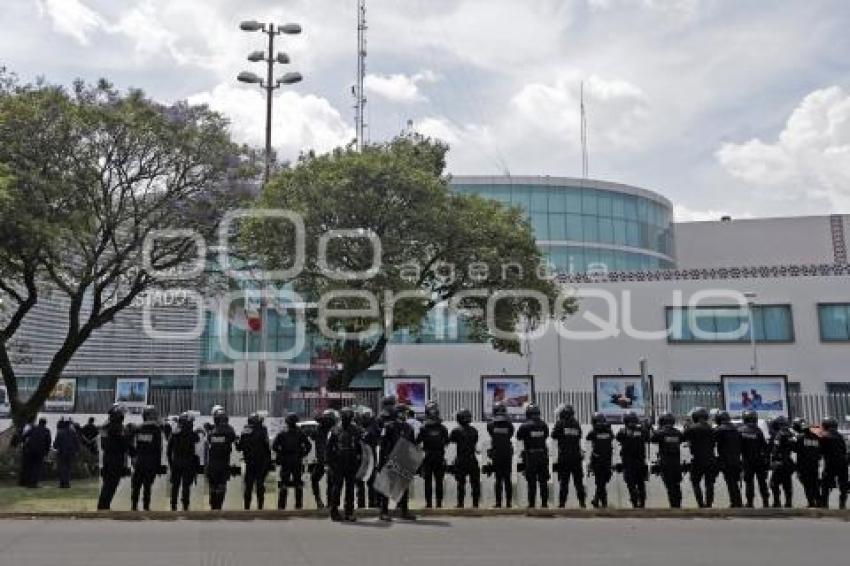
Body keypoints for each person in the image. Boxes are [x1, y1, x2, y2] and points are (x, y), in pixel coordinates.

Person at [377, 399, 417, 521]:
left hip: (403, 459)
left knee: (403, 487)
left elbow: (411, 445)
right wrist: (381, 462)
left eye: (405, 412)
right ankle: (384, 512)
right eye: (402, 412)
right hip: (390, 459)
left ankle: (404, 511)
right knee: (386, 488)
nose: (404, 414)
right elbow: (383, 445)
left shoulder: (409, 428)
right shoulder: (388, 427)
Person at [326, 406, 364, 521]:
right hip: (338, 463)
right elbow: (328, 448)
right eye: (345, 417)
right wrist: (330, 463)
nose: (346, 419)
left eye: (349, 417)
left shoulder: (356, 430)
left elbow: (360, 448)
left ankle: (349, 512)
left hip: (351, 462)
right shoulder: (335, 430)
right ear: (341, 417)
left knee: (350, 488)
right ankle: (334, 511)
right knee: (337, 488)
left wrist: (359, 462)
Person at [272, 412, 312, 510]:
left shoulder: (282, 433)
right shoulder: (300, 433)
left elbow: (274, 446)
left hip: (286, 460)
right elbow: (309, 446)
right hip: (297, 459)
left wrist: (281, 453)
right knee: (298, 483)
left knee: (284, 483)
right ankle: (298, 506)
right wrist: (303, 454)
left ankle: (281, 506)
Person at [129, 406, 163, 511]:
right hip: (151, 461)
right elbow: (158, 449)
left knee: (136, 486)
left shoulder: (138, 428)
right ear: (148, 416)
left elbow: (129, 443)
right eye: (154, 414)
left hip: (139, 461)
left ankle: (134, 507)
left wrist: (133, 456)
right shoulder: (156, 430)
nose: (156, 416)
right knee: (147, 486)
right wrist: (159, 466)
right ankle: (146, 507)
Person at [551, 404, 586, 508]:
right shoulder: (576, 424)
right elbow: (579, 435)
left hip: (564, 457)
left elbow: (553, 435)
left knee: (564, 482)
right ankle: (582, 503)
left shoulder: (560, 423)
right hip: (576, 457)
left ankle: (562, 504)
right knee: (579, 483)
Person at [416, 401, 449, 509]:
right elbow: (447, 442)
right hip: (437, 456)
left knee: (430, 481)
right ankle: (437, 504)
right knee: (437, 481)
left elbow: (417, 441)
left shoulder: (424, 428)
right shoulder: (442, 428)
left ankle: (430, 504)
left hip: (429, 456)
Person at [516, 403, 550, 509]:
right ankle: (544, 504)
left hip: (530, 456)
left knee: (531, 482)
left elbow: (518, 437)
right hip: (543, 456)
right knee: (543, 481)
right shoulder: (544, 425)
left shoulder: (525, 425)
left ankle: (531, 505)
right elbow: (546, 436)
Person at [98, 404, 131, 510]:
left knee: (107, 483)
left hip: (107, 457)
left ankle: (103, 505)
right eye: (122, 414)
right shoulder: (117, 427)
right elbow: (124, 443)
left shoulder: (105, 426)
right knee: (111, 483)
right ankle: (104, 506)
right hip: (115, 458)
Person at [237, 412, 272, 510]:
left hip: (249, 462)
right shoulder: (263, 430)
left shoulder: (245, 430)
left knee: (248, 486)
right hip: (261, 462)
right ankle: (260, 507)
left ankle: (247, 508)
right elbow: (267, 446)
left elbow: (239, 447)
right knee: (260, 485)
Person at [683, 407, 717, 508]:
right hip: (710, 458)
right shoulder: (712, 429)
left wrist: (687, 427)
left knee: (695, 482)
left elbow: (682, 437)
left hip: (697, 459)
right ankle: (709, 504)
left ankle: (700, 504)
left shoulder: (692, 429)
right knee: (709, 483)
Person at [206, 406, 237, 510]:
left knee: (213, 486)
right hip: (224, 462)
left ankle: (213, 506)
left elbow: (210, 439)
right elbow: (232, 438)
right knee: (221, 486)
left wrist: (209, 429)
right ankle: (219, 507)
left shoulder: (212, 432)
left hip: (213, 463)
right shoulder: (229, 430)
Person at [167, 412, 199, 511]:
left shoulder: (174, 433)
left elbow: (168, 451)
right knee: (186, 486)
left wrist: (171, 464)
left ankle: (173, 505)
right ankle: (185, 505)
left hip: (176, 462)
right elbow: (197, 439)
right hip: (188, 463)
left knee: (175, 486)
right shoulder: (191, 434)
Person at [616, 411, 649, 508]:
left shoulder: (623, 431)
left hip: (628, 462)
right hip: (640, 461)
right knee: (641, 483)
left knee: (631, 484)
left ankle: (635, 503)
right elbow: (647, 437)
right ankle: (642, 503)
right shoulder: (642, 430)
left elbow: (618, 438)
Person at [651, 412, 683, 508]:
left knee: (670, 486)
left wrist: (655, 429)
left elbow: (652, 439)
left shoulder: (660, 433)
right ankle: (678, 505)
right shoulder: (678, 433)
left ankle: (673, 506)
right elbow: (682, 439)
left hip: (666, 463)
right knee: (677, 485)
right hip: (677, 463)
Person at [449, 408, 481, 509]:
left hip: (461, 459)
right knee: (475, 483)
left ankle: (460, 504)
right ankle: (475, 504)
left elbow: (452, 440)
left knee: (461, 483)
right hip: (472, 459)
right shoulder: (474, 431)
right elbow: (475, 441)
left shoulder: (456, 431)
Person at [739, 409, 771, 508]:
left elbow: (738, 448)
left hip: (747, 461)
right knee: (762, 482)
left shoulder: (740, 431)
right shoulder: (758, 431)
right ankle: (766, 502)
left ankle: (750, 503)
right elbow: (765, 448)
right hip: (759, 461)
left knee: (749, 483)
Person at [486, 402, 515, 508]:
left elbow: (491, 433)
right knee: (508, 479)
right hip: (507, 453)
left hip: (496, 453)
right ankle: (509, 503)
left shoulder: (490, 424)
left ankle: (498, 503)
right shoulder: (509, 424)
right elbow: (511, 434)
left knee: (498, 479)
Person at [713, 410, 743, 508]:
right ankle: (738, 502)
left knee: (730, 482)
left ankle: (735, 503)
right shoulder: (736, 429)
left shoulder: (719, 430)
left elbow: (712, 443)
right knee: (734, 482)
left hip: (725, 460)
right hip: (737, 459)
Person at [818, 417, 848, 509]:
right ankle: (842, 504)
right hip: (843, 463)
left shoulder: (824, 436)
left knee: (825, 485)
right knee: (843, 485)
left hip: (830, 464)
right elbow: (845, 450)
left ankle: (824, 504)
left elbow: (820, 451)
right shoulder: (841, 436)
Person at [310, 409, 336, 509]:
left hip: (324, 459)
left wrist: (318, 416)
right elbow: (313, 436)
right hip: (329, 459)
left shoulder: (324, 426)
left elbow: (318, 419)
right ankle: (327, 503)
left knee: (318, 480)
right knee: (330, 482)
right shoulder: (332, 427)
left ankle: (321, 501)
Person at [586, 412, 613, 508]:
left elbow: (588, 437)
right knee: (602, 482)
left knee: (600, 482)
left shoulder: (594, 432)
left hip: (597, 460)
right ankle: (599, 501)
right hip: (607, 460)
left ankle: (599, 501)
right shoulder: (609, 431)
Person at [792, 417, 821, 508]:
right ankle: (819, 501)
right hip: (814, 465)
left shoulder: (799, 437)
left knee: (807, 484)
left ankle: (811, 502)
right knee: (815, 483)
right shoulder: (816, 437)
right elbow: (819, 451)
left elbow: (795, 449)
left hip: (803, 466)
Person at [768, 415, 795, 508]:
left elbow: (776, 449)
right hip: (788, 462)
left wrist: (773, 460)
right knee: (787, 484)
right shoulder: (791, 434)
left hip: (780, 462)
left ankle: (777, 503)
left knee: (773, 483)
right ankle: (788, 503)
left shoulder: (779, 434)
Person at [356, 407, 378, 509]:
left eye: (367, 416)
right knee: (360, 483)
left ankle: (372, 504)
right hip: (360, 458)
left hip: (370, 457)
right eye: (364, 416)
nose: (365, 418)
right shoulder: (356, 428)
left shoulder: (373, 428)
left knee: (371, 482)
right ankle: (361, 505)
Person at [20, 417, 51, 488]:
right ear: (45, 423)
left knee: (30, 466)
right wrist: (46, 452)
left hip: (30, 450)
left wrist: (25, 444)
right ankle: (34, 483)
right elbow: (48, 442)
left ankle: (28, 482)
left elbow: (24, 436)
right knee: (37, 467)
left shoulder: (33, 429)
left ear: (39, 422)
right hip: (40, 451)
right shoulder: (46, 431)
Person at [53, 417, 80, 489]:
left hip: (61, 453)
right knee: (68, 468)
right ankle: (67, 483)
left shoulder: (60, 433)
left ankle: (62, 483)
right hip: (71, 453)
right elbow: (77, 443)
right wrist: (77, 451)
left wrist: (56, 446)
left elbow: (55, 445)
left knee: (62, 468)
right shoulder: (73, 433)